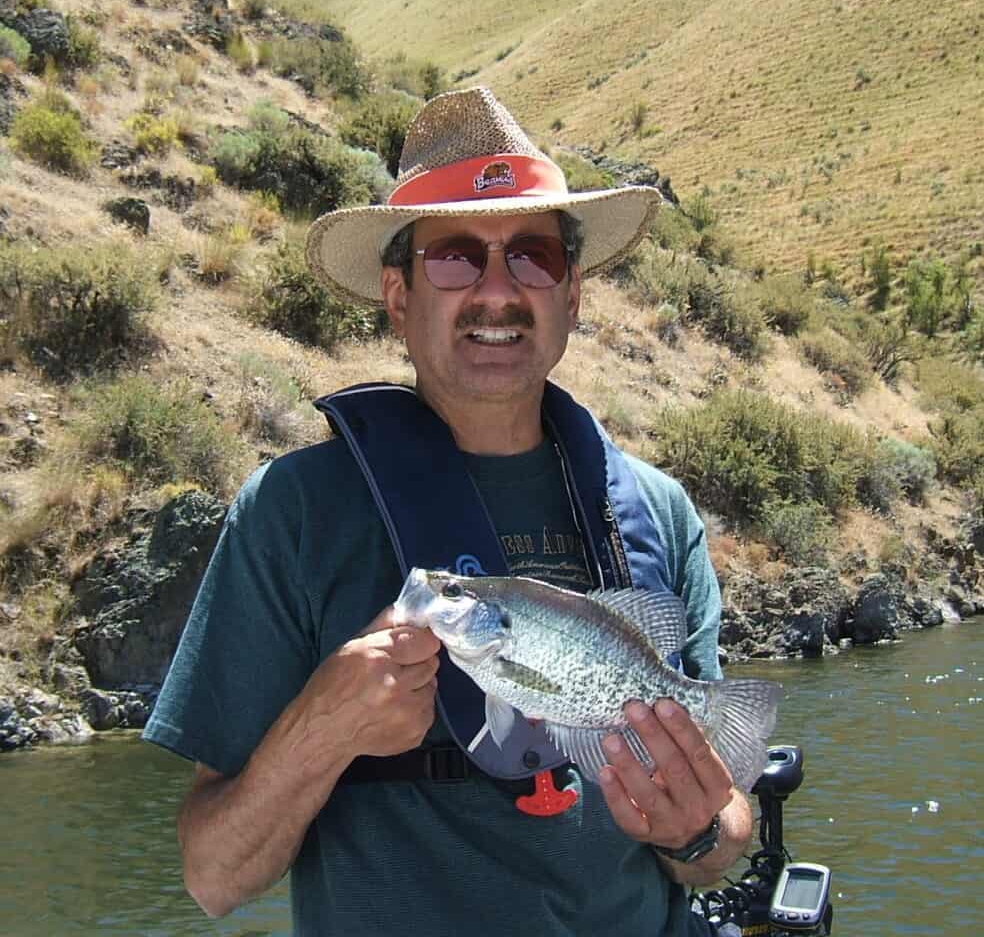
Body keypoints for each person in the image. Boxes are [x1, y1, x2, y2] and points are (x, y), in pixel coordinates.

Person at [144, 86, 752, 936]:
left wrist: (695, 829)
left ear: (571, 293)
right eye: (455, 258)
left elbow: (724, 838)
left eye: (533, 257)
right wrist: (324, 727)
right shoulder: (292, 513)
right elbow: (213, 878)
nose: (496, 292)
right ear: (398, 294)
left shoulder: (658, 508)